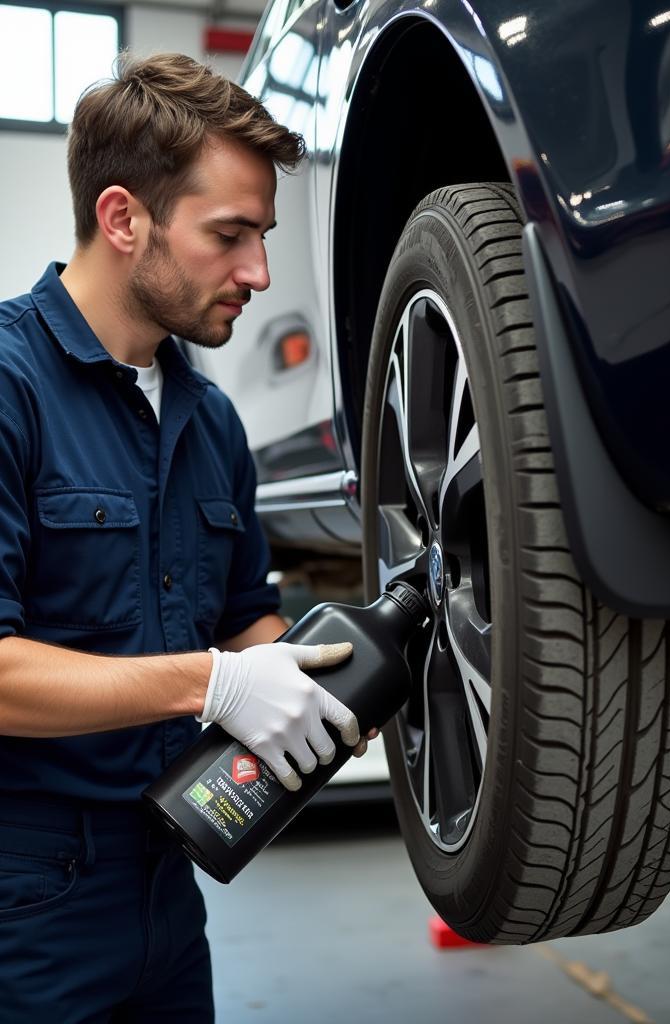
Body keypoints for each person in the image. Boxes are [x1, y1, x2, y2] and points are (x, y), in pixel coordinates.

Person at [0, 52, 372, 1022]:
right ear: (123, 219)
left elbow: (247, 615)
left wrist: (338, 673)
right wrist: (213, 682)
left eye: (265, 236)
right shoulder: (9, 391)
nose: (257, 272)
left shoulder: (210, 423)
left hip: (176, 876)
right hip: (26, 897)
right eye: (230, 235)